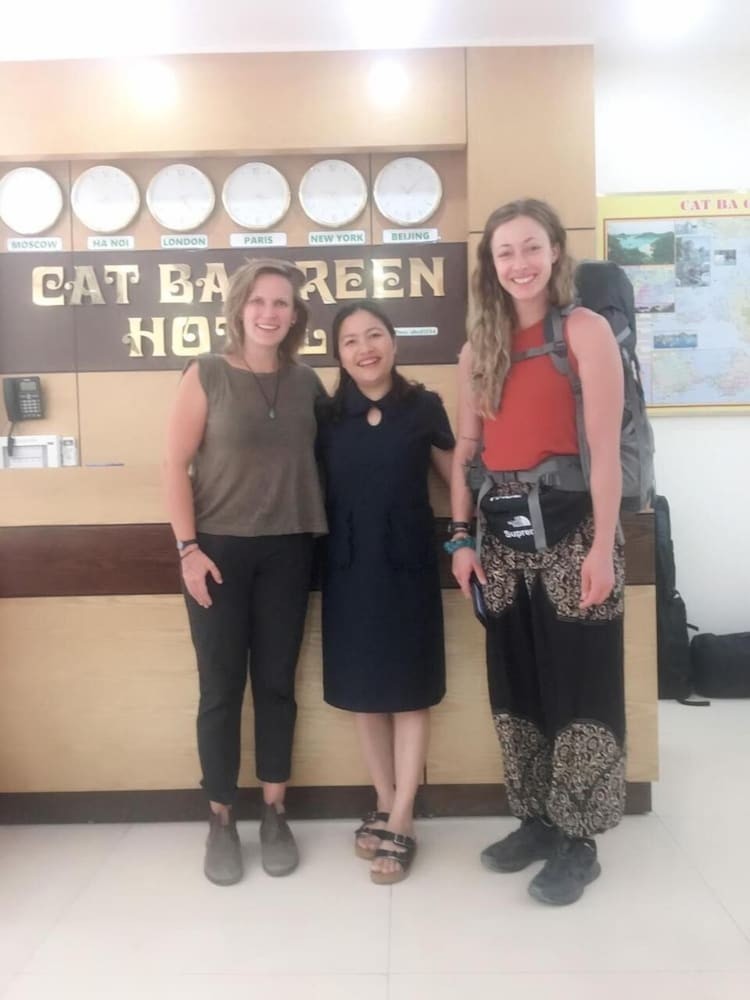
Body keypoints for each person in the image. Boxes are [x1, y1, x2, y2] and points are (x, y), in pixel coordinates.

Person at [449, 199, 626, 905]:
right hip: (501, 540)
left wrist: (604, 547)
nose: (519, 263)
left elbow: (606, 451)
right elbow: (468, 451)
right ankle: (537, 820)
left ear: (555, 250)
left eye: (530, 247)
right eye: (505, 252)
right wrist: (461, 538)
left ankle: (580, 840)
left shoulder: (584, 331)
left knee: (580, 682)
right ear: (490, 265)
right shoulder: (477, 350)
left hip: (575, 531)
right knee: (515, 683)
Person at [163, 258, 327, 885]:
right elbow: (173, 466)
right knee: (221, 689)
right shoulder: (206, 373)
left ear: (295, 314)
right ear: (238, 308)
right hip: (217, 555)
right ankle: (221, 820)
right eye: (258, 300)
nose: (269, 312)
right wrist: (187, 549)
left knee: (278, 686)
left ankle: (274, 813)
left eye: (281, 302)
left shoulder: (308, 383)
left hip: (289, 551)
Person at [317, 300, 454, 885]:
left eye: (374, 335)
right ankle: (382, 797)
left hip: (408, 565)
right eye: (350, 340)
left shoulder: (424, 407)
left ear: (394, 343)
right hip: (348, 566)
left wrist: (467, 533)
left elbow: (457, 478)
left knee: (409, 691)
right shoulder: (325, 415)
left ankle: (402, 817)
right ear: (338, 355)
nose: (364, 348)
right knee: (364, 694)